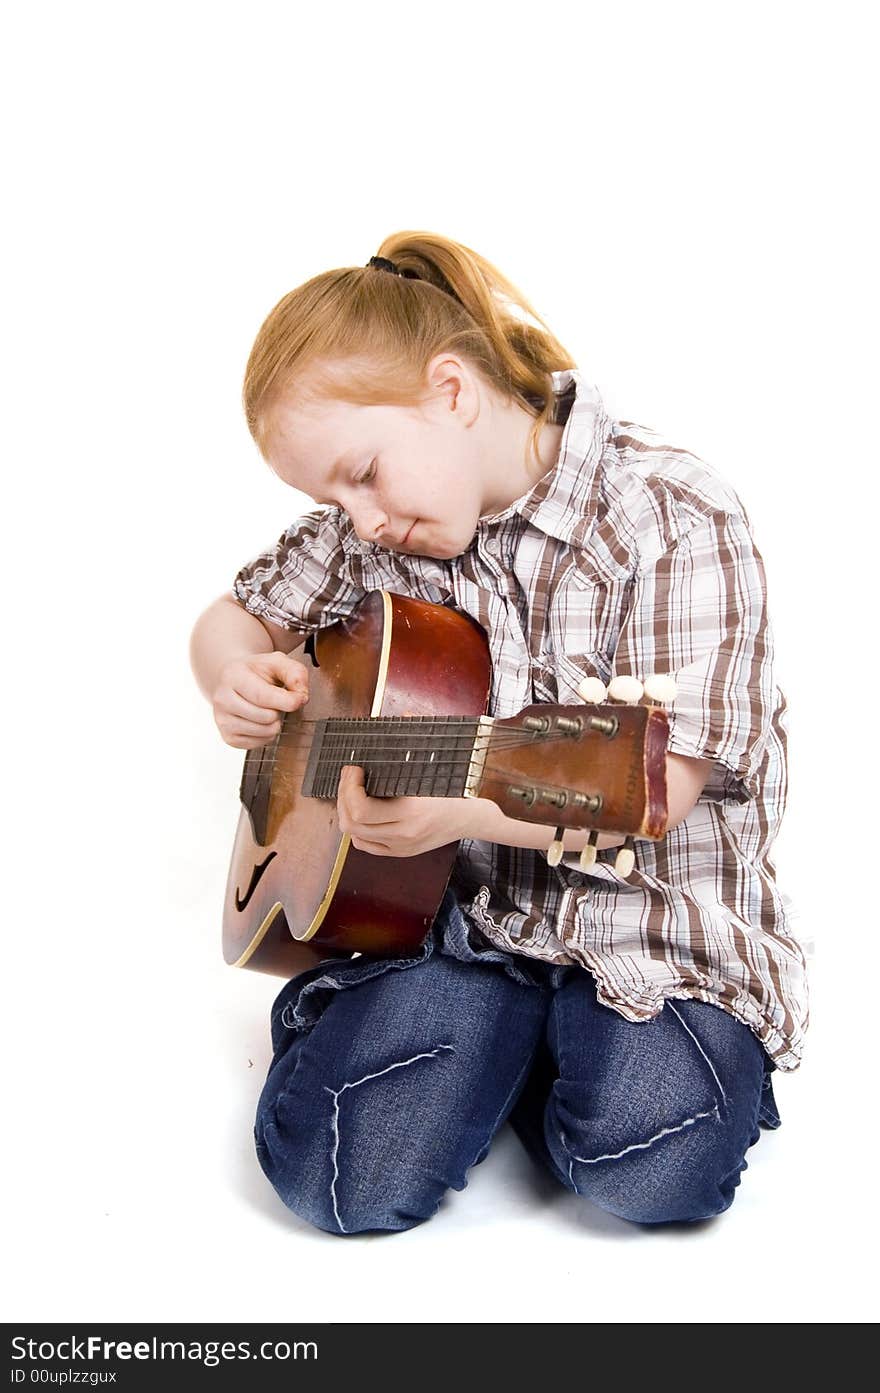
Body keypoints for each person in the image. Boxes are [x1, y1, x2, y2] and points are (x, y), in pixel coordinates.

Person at [189, 231, 809, 1235]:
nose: (360, 519)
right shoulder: (368, 535)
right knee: (337, 1179)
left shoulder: (667, 514)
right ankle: (481, 1026)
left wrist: (461, 803)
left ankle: (528, 1052)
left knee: (651, 1163)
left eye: (363, 473)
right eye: (329, 501)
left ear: (450, 389)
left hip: (646, 928)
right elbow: (233, 616)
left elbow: (659, 785)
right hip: (452, 925)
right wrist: (233, 675)